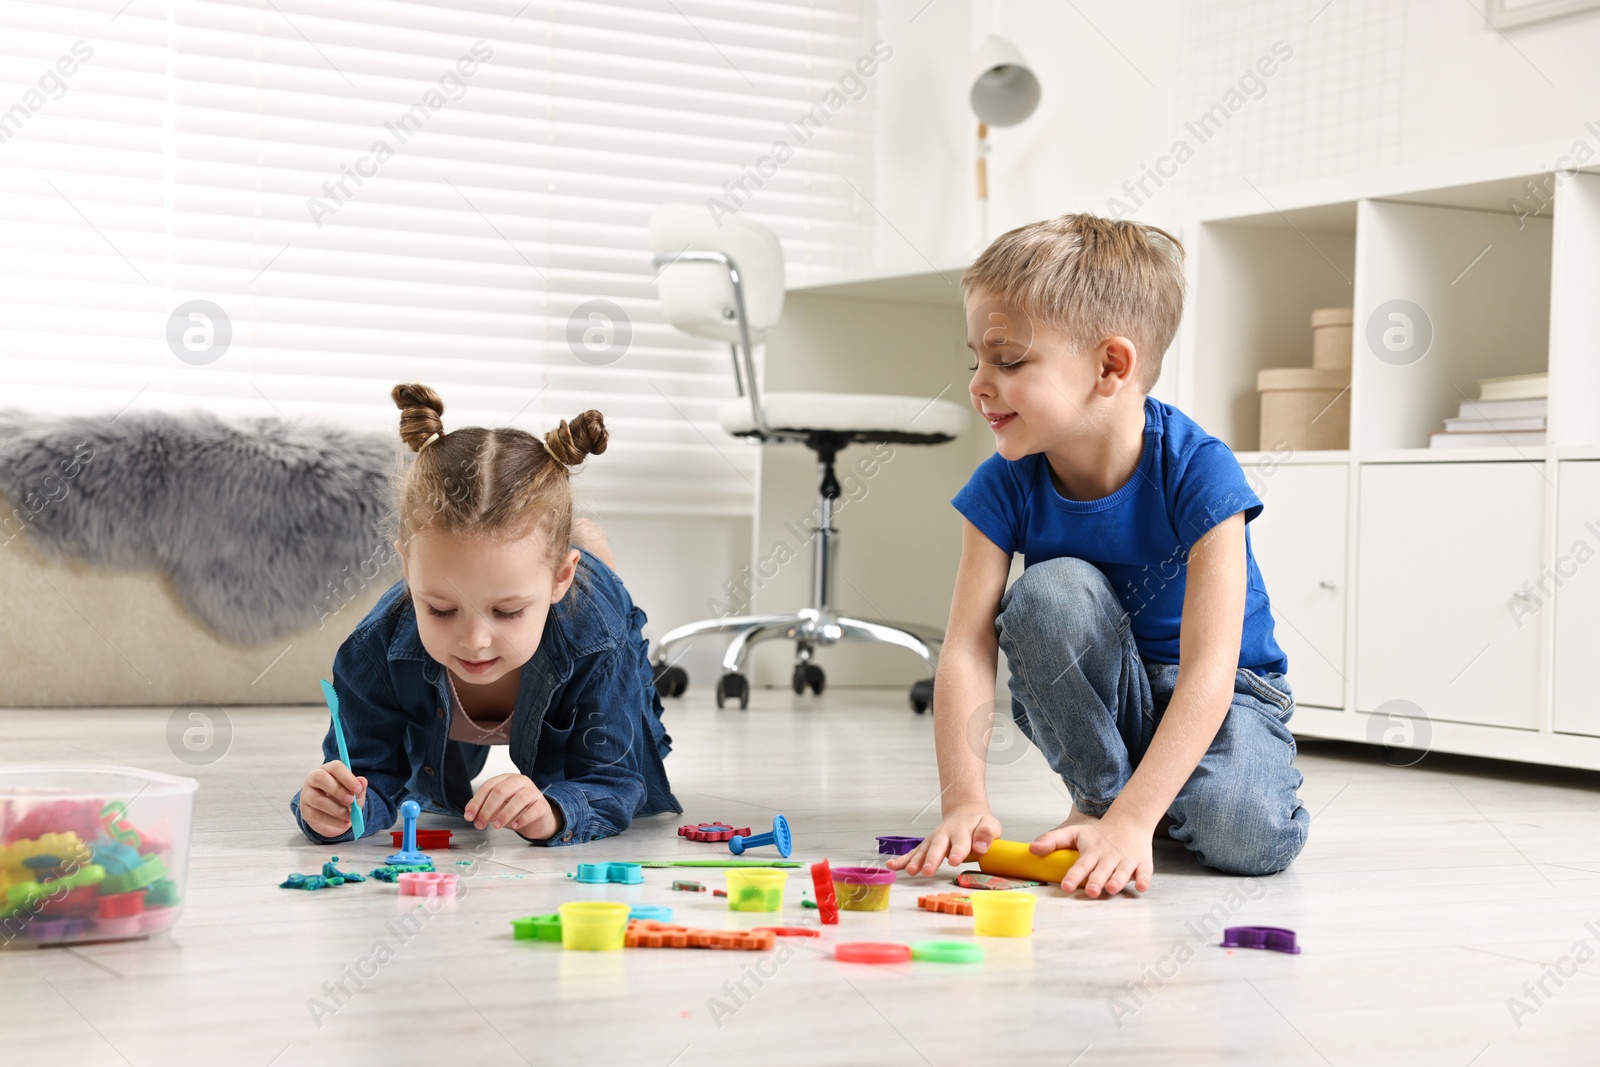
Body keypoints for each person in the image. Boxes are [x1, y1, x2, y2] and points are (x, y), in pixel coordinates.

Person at [888, 214, 1306, 895]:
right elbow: (966, 647)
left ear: (1111, 365)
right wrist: (964, 800)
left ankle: (1146, 803)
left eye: (1010, 361)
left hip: (1222, 696)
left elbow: (1211, 666)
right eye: (976, 361)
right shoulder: (1005, 482)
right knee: (1048, 592)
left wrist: (1141, 817)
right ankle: (1104, 797)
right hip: (1103, 695)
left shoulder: (1199, 470)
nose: (978, 384)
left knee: (1246, 837)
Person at [292, 383, 681, 846]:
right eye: (440, 608)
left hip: (588, 612)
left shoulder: (597, 641)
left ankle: (590, 554)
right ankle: (565, 559)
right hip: (532, 596)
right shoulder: (374, 650)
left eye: (508, 611)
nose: (474, 639)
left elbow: (614, 781)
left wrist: (555, 811)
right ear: (407, 571)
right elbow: (364, 776)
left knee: (601, 597)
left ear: (560, 579)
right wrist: (335, 807)